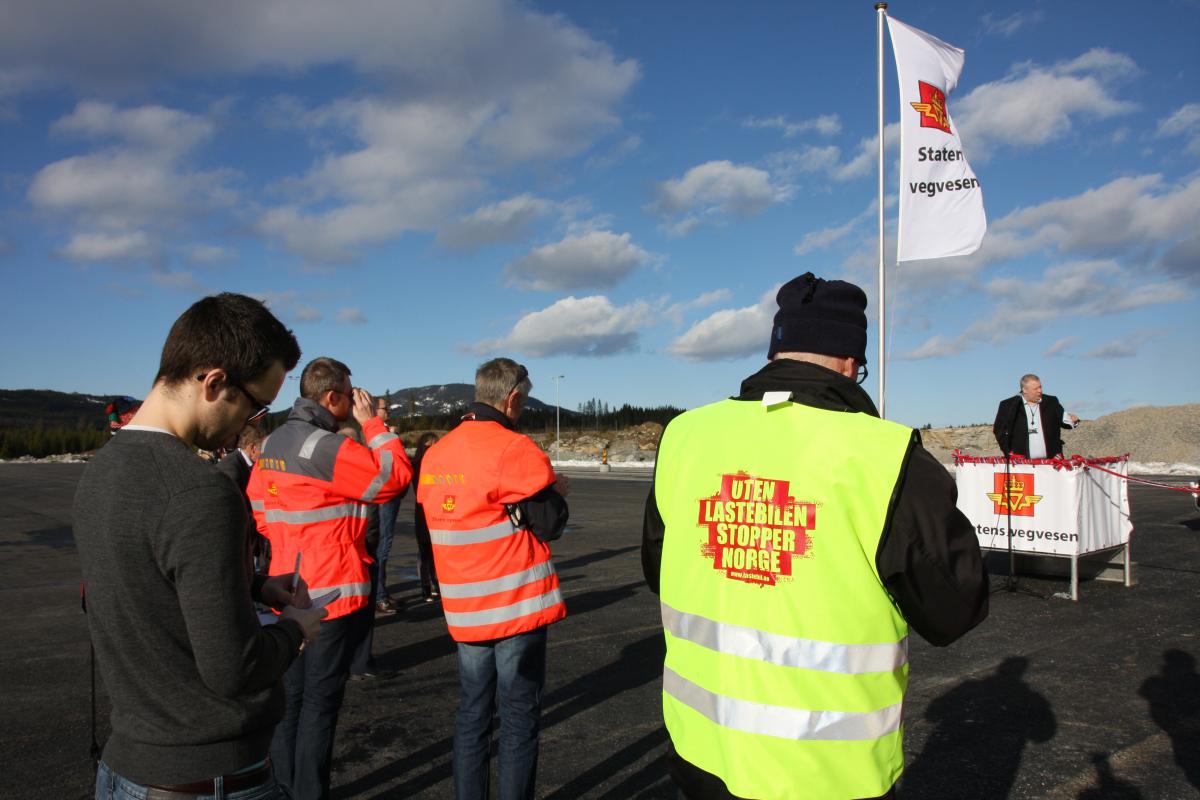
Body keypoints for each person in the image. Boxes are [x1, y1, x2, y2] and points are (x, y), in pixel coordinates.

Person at [642, 273, 989, 800]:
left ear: (775, 351)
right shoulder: (884, 456)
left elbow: (657, 568)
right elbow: (953, 607)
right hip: (827, 773)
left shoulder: (685, 436)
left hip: (702, 753)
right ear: (852, 363)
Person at [74, 293, 326, 800]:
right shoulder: (199, 490)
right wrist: (297, 630)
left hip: (130, 765)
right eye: (257, 404)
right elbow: (236, 668)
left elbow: (147, 576)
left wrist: (252, 583)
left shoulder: (102, 470)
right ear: (213, 382)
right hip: (207, 775)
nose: (252, 423)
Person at [248, 357, 413, 800]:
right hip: (330, 596)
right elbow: (393, 477)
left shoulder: (274, 443)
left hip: (286, 589)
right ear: (332, 397)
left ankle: (284, 789)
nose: (354, 398)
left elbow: (259, 511)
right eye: (350, 391)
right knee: (321, 706)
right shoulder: (324, 446)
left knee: (290, 704)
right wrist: (374, 425)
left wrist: (292, 540)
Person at [417, 358, 571, 800]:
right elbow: (550, 523)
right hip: (514, 608)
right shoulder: (514, 448)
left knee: (472, 715)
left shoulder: (436, 454)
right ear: (513, 398)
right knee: (520, 717)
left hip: (464, 609)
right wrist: (555, 491)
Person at [993, 374, 1079, 459]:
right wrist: (1007, 452)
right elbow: (999, 430)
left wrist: (1073, 420)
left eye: (1040, 387)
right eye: (1036, 389)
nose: (1040, 391)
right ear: (1024, 390)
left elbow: (1064, 421)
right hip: (1021, 465)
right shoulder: (1009, 405)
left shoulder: (1051, 402)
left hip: (1051, 463)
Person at [374, 395, 405, 615]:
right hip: (384, 496)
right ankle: (379, 595)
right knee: (382, 546)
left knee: (384, 546)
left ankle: (381, 592)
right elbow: (384, 465)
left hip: (390, 495)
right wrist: (391, 439)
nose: (388, 411)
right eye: (385, 408)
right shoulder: (377, 435)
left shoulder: (381, 433)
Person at [412, 431, 441, 602]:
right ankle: (426, 587)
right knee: (424, 551)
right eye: (430, 446)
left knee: (436, 550)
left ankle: (436, 583)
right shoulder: (416, 465)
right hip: (423, 511)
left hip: (438, 510)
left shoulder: (441, 465)